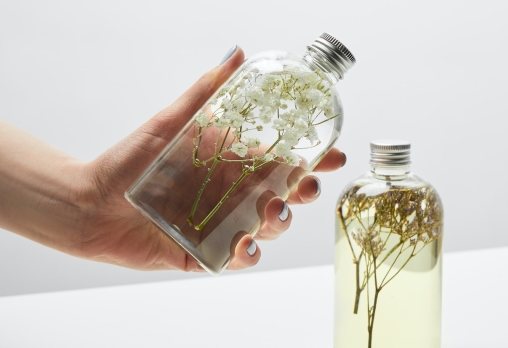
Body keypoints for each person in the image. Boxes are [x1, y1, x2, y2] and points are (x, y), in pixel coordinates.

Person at [0, 46, 346, 272]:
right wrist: (86, 202)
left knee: (262, 195)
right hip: (146, 199)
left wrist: (86, 207)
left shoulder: (315, 100)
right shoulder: (273, 67)